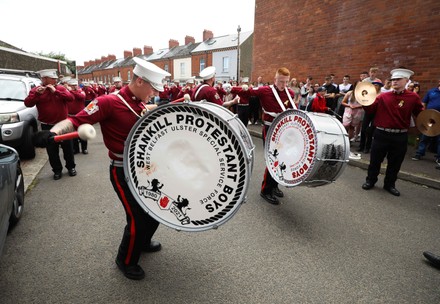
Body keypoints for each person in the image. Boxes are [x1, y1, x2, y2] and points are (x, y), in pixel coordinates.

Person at [33, 58, 171, 280]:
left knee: (153, 213)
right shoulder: (107, 101)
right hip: (122, 172)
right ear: (139, 81)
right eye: (153, 88)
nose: (154, 92)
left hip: (144, 171)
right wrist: (54, 133)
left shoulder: (138, 102)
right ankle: (125, 260)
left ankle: (142, 242)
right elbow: (76, 121)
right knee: (137, 218)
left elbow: (141, 112)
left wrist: (160, 107)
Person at [236, 67, 296, 205]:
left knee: (282, 158)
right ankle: (266, 190)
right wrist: (241, 87)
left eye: (286, 82)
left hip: (284, 130)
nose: (283, 85)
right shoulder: (265, 90)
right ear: (275, 79)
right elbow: (247, 92)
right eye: (281, 81)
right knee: (273, 158)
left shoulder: (290, 93)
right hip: (269, 128)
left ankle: (274, 186)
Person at [361, 68, 424, 196]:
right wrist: (364, 100)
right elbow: (370, 110)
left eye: (398, 80)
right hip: (381, 134)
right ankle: (370, 181)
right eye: (393, 80)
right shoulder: (383, 96)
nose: (394, 82)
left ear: (406, 81)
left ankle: (389, 184)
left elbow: (420, 114)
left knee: (395, 163)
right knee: (375, 161)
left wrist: (430, 121)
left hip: (400, 136)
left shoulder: (413, 97)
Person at [24, 69, 76, 180]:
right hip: (47, 125)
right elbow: (28, 103)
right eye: (52, 79)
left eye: (55, 79)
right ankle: (57, 170)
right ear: (44, 79)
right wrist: (37, 94)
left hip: (63, 124)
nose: (55, 80)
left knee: (68, 148)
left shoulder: (60, 88)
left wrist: (55, 91)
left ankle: (71, 167)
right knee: (52, 150)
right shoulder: (36, 90)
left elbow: (71, 98)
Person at [411, 78, 440, 169]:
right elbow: (423, 103)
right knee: (425, 135)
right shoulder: (431, 91)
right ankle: (419, 153)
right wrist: (423, 114)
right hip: (429, 118)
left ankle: (439, 158)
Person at [65, 78, 88, 154]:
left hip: (80, 115)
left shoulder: (81, 91)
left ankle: (84, 148)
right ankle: (76, 149)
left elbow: (81, 97)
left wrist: (71, 91)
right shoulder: (67, 93)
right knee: (73, 133)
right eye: (72, 85)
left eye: (75, 85)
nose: (74, 87)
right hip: (70, 115)